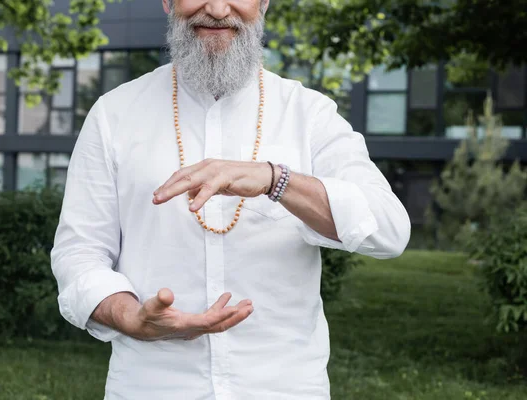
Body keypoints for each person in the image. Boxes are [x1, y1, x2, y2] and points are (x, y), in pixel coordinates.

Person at [50, 0, 411, 399]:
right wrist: (129, 316)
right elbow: (79, 253)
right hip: (151, 386)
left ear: (264, 3)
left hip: (284, 388)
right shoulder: (114, 114)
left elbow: (389, 231)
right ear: (168, 2)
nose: (219, 9)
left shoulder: (309, 114)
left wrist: (275, 179)